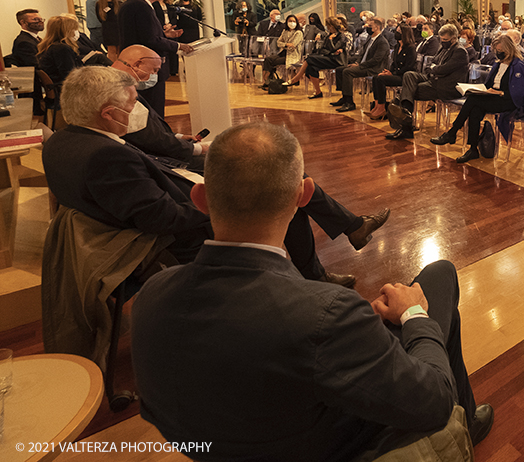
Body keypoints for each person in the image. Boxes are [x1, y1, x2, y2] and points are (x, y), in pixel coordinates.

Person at [130, 122, 493, 462]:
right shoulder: (327, 315)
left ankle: (468, 420)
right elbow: (434, 402)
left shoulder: (153, 293)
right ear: (303, 195)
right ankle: (465, 421)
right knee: (439, 276)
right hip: (330, 446)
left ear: (200, 198)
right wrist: (413, 314)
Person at [44, 67, 387, 286]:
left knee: (283, 177)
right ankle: (324, 262)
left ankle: (342, 239)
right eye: (134, 103)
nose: (138, 110)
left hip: (170, 188)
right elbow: (159, 217)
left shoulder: (61, 140)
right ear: (108, 113)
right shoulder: (106, 156)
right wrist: (219, 204)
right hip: (167, 237)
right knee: (286, 192)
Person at [431, 34, 524, 163]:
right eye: (497, 51)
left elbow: (520, 93)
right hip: (493, 97)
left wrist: (499, 93)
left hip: (509, 101)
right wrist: (482, 90)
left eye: (501, 51)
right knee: (475, 110)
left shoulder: (518, 66)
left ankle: (452, 132)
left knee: (473, 100)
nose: (499, 53)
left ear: (509, 49)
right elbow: (489, 84)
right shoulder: (498, 65)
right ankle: (473, 149)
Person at [112, 45, 206, 170]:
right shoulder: (118, 90)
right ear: (137, 64)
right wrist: (198, 149)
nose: (154, 75)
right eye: (154, 70)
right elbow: (149, 139)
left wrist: (177, 137)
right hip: (149, 159)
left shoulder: (117, 82)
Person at [118, 0, 194, 117]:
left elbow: (143, 34)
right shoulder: (142, 7)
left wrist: (166, 35)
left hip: (135, 61)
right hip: (145, 65)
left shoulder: (130, 4)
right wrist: (178, 46)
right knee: (153, 107)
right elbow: (150, 40)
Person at [386, 24, 468, 141]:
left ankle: (405, 125)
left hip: (445, 86)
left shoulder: (460, 52)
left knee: (408, 92)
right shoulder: (443, 47)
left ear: (454, 39)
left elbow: (443, 69)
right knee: (409, 75)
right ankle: (406, 117)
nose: (442, 42)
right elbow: (431, 63)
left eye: (445, 40)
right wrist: (434, 68)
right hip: (433, 79)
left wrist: (434, 68)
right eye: (441, 39)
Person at [331, 17, 389, 112]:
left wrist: (360, 66)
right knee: (339, 69)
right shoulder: (370, 39)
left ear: (377, 27)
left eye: (370, 26)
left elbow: (376, 60)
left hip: (373, 68)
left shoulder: (382, 42)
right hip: (363, 65)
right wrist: (357, 62)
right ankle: (345, 97)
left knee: (347, 72)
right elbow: (362, 53)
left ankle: (349, 102)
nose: (367, 28)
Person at [287, 16, 348, 99]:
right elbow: (323, 49)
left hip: (337, 61)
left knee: (310, 58)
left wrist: (330, 42)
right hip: (328, 57)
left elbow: (334, 48)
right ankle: (318, 92)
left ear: (332, 26)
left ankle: (297, 78)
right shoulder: (328, 35)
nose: (327, 27)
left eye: (328, 26)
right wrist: (330, 50)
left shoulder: (341, 36)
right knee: (311, 67)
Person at [367, 24, 418, 121]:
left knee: (381, 79)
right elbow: (394, 63)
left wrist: (393, 73)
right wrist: (389, 71)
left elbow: (409, 66)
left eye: (398, 32)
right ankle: (377, 105)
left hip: (405, 76)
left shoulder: (411, 48)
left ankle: (382, 108)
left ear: (405, 34)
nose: (396, 33)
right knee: (376, 77)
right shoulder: (397, 46)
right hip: (396, 74)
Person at [37, 15, 85, 87]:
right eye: (73, 29)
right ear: (66, 31)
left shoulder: (50, 46)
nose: (75, 32)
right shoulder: (61, 48)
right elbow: (70, 74)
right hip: (66, 89)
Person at [261, 14, 304, 87]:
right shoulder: (285, 31)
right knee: (268, 59)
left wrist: (285, 44)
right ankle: (267, 80)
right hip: (283, 53)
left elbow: (293, 46)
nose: (292, 23)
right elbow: (278, 42)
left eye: (293, 21)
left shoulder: (298, 33)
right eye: (290, 21)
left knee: (272, 61)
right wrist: (287, 44)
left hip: (292, 55)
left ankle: (268, 81)